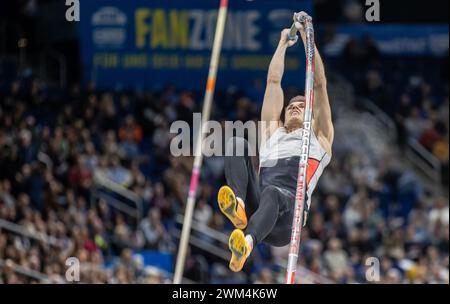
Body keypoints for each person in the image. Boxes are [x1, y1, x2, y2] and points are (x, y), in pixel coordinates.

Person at [217, 12, 334, 272]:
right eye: (291, 105)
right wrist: (283, 43)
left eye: (301, 105)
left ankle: (244, 246)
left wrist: (306, 36)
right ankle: (239, 205)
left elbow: (321, 84)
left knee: (273, 192)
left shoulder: (319, 139)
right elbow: (273, 82)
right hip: (260, 209)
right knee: (236, 142)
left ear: (311, 114)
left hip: (287, 221)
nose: (294, 107)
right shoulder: (273, 132)